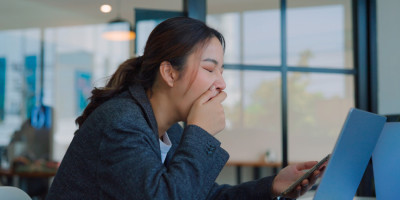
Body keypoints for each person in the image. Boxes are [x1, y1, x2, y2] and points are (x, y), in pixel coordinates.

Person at [46, 17, 322, 200]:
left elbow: (201, 195)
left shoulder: (170, 132)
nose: (221, 84)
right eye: (210, 68)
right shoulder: (121, 122)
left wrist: (272, 186)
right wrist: (200, 132)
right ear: (169, 73)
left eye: (221, 71)